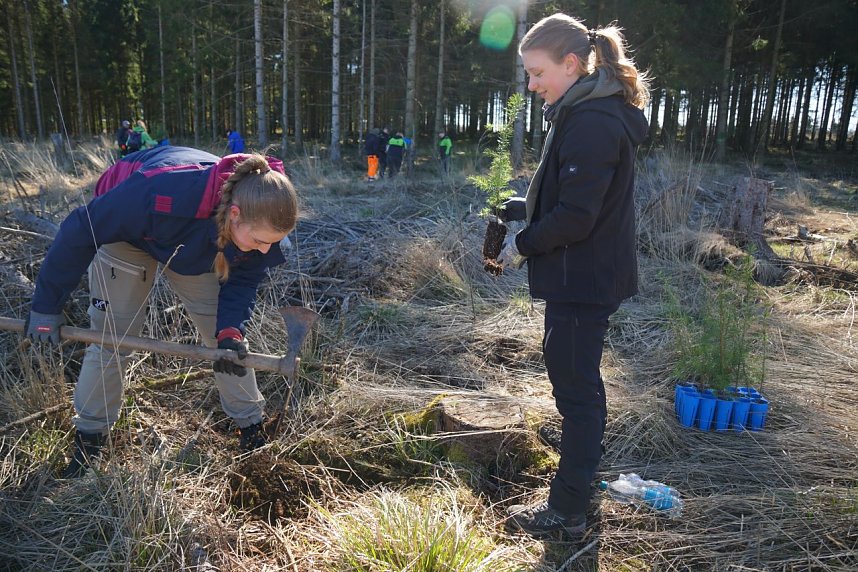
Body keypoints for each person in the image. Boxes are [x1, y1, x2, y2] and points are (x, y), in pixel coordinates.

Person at [24, 146, 299, 478]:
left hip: (199, 242)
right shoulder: (157, 190)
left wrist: (229, 332)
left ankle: (251, 428)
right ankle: (90, 442)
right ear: (236, 214)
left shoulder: (257, 227)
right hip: (130, 236)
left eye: (273, 242)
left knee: (227, 345)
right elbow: (80, 229)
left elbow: (241, 281)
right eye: (259, 240)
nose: (266, 250)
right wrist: (45, 308)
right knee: (113, 338)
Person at [498, 13, 649, 537]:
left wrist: (524, 243)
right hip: (584, 274)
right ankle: (579, 486)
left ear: (570, 64)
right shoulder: (585, 111)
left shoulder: (591, 121)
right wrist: (524, 207)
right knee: (577, 387)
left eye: (538, 74)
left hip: (584, 280)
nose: (533, 85)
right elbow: (577, 197)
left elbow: (579, 218)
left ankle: (567, 512)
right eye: (528, 76)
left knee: (577, 395)